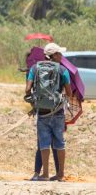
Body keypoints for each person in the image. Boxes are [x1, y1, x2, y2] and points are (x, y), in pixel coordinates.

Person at [25, 43, 72, 182]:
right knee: (60, 143)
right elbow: (69, 92)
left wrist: (36, 97)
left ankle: (44, 174)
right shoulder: (63, 70)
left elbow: (27, 90)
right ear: (54, 56)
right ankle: (60, 175)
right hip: (57, 112)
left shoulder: (35, 68)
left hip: (42, 111)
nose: (62, 56)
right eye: (60, 54)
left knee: (43, 143)